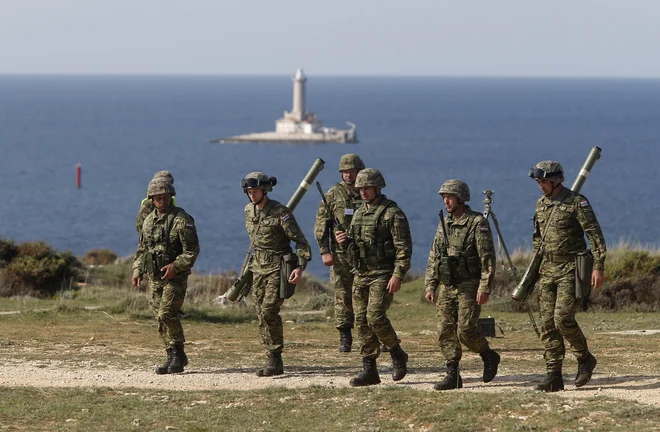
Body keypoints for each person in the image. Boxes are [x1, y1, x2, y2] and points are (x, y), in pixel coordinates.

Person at [529, 161, 606, 392]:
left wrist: (598, 266)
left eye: (543, 181)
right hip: (547, 270)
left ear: (556, 181)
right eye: (539, 182)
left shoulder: (576, 203)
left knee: (562, 318)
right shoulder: (541, 205)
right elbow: (537, 239)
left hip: (570, 270)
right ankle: (554, 375)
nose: (540, 186)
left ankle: (584, 358)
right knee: (547, 324)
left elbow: (595, 235)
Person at [335, 168, 411, 386]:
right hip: (361, 274)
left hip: (382, 274)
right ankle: (370, 369)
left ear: (378, 188)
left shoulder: (392, 214)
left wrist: (398, 275)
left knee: (375, 316)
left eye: (367, 188)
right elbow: (355, 247)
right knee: (361, 321)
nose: (363, 192)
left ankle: (397, 354)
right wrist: (344, 242)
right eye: (360, 189)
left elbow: (403, 249)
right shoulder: (359, 213)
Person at [424, 180, 500, 391]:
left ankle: (488, 355)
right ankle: (453, 373)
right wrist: (431, 285)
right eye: (444, 198)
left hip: (469, 285)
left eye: (450, 197)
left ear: (461, 199)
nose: (446, 201)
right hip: (447, 286)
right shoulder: (443, 224)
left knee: (465, 330)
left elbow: (488, 259)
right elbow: (434, 256)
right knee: (445, 330)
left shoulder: (477, 223)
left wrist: (485, 287)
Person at [241, 172, 312, 377]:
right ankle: (270, 355)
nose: (251, 195)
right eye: (249, 192)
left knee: (269, 310)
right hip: (257, 269)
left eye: (255, 191)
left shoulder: (281, 213)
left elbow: (300, 242)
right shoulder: (248, 211)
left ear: (265, 191)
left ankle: (275, 357)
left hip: (277, 269)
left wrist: (299, 267)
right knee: (260, 313)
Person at [132, 178, 199, 374]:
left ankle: (179, 353)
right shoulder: (148, 221)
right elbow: (142, 249)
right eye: (156, 198)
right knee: (159, 318)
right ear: (151, 200)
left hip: (175, 277)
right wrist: (137, 270)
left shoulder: (182, 220)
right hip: (155, 277)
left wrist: (175, 266)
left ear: (171, 197)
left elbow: (191, 251)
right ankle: (170, 354)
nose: (160, 201)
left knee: (166, 313)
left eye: (164, 197)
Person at [314, 153, 365, 352]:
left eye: (351, 171)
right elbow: (321, 226)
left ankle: (372, 334)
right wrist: (325, 251)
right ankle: (345, 336)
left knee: (368, 296)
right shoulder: (333, 194)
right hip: (342, 255)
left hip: (366, 255)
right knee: (343, 294)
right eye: (344, 172)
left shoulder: (368, 192)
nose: (348, 175)